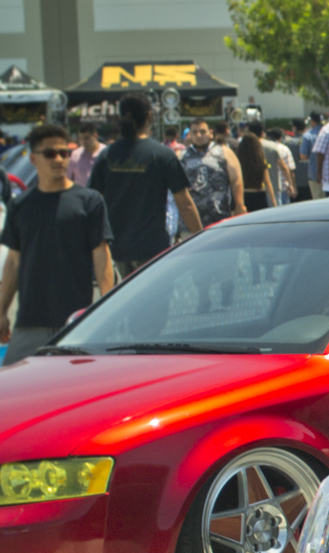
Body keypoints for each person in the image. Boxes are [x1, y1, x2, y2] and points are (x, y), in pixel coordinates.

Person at [0, 124, 115, 365]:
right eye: (50, 154)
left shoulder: (89, 201)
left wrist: (106, 310)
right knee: (11, 383)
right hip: (30, 322)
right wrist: (1, 311)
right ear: (33, 159)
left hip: (76, 321)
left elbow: (102, 256)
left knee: (78, 384)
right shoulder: (20, 206)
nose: (59, 159)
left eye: (64, 153)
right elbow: (13, 262)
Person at [89, 94, 201, 279]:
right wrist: (200, 237)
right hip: (152, 248)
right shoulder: (162, 154)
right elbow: (185, 204)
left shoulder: (107, 155)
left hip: (118, 248)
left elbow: (93, 201)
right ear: (149, 116)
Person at [182, 118, 245, 225]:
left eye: (202, 131)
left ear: (210, 133)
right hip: (190, 221)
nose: (198, 135)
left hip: (220, 217)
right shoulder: (182, 156)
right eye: (194, 132)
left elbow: (236, 179)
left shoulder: (224, 152)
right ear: (190, 135)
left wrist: (240, 205)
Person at [236, 121, 279, 212]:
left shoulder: (238, 162)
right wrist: (274, 202)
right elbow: (267, 182)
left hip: (244, 195)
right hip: (259, 195)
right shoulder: (260, 161)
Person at [295, 111, 323, 201]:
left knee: (319, 202)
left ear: (312, 121)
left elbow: (303, 156)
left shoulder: (308, 135)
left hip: (315, 174)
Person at [264, 126, 297, 204]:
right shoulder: (285, 149)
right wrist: (292, 185)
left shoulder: (265, 148)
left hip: (270, 185)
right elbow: (289, 169)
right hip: (284, 186)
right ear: (280, 137)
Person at [68, 121, 104, 187]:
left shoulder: (105, 153)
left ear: (95, 136)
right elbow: (68, 178)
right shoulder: (75, 155)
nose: (83, 142)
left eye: (87, 138)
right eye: (81, 139)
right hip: (80, 192)